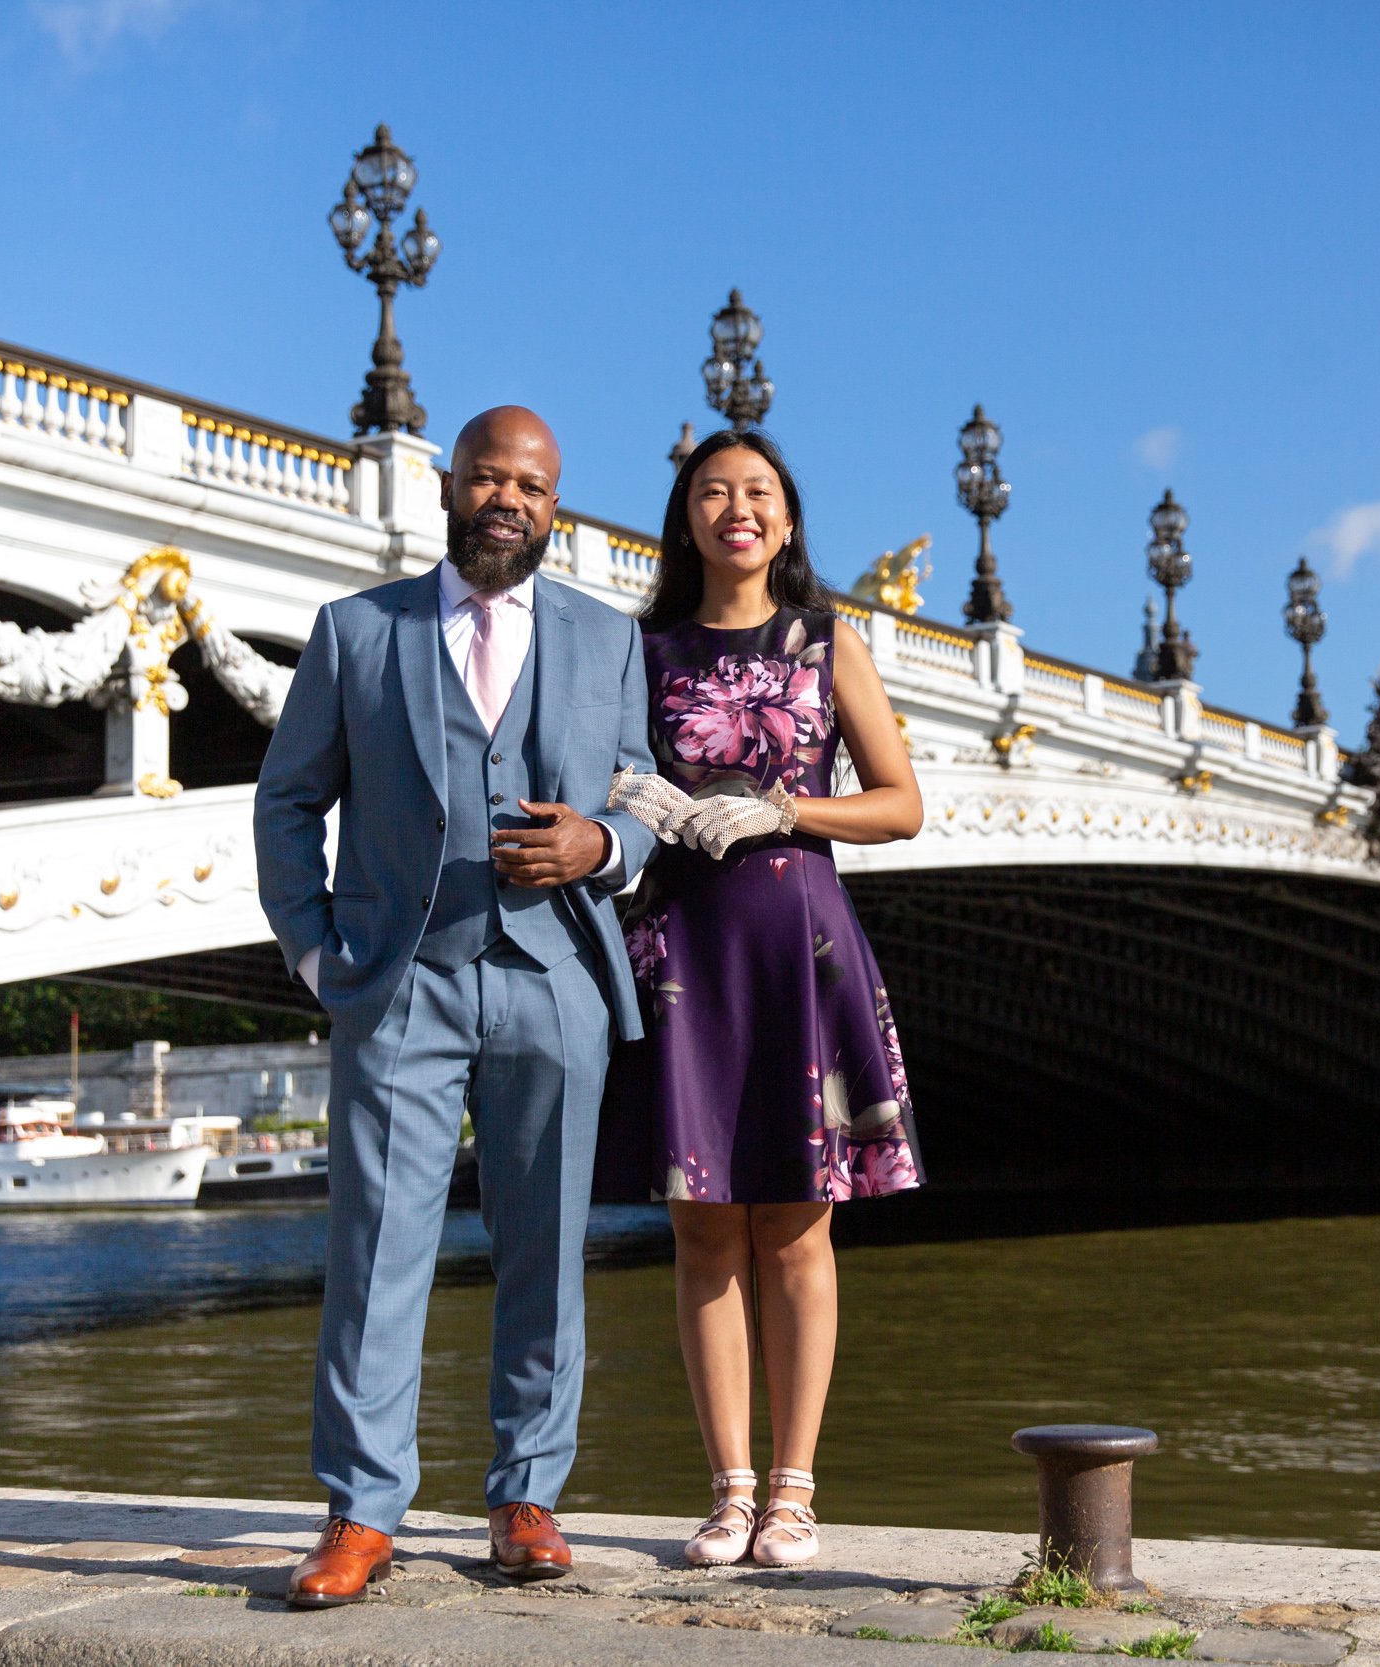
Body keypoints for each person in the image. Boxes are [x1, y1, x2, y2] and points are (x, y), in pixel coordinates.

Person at [253, 406, 658, 1607]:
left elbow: (644, 798)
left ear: (553, 505)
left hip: (555, 978)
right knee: (376, 1248)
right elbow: (286, 803)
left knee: (546, 1248)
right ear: (449, 485)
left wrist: (602, 843)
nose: (509, 500)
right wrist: (319, 955)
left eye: (532, 486)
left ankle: (525, 1492)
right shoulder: (356, 632)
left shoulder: (606, 640)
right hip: (400, 979)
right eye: (490, 477)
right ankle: (361, 1509)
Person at [597, 427, 926, 1569]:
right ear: (685, 517)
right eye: (713, 492)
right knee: (701, 1227)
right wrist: (634, 797)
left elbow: (899, 803)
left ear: (785, 520)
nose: (737, 508)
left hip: (797, 940)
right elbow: (599, 777)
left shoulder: (829, 641)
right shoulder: (641, 650)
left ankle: (794, 1489)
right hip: (685, 939)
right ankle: (727, 1488)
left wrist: (786, 811)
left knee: (794, 1224)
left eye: (759, 493)